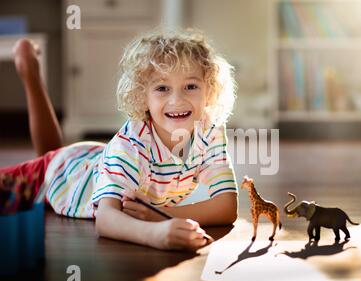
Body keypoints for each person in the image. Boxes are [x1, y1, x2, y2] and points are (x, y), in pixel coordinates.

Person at [0, 29, 239, 251]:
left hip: (94, 161)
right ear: (142, 96)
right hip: (63, 171)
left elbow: (227, 207)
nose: (177, 99)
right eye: (162, 88)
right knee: (49, 160)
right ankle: (30, 68)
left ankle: (29, 67)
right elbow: (106, 219)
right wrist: (156, 233)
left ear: (209, 90)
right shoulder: (133, 142)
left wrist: (163, 214)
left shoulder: (209, 131)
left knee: (52, 151)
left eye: (190, 86)